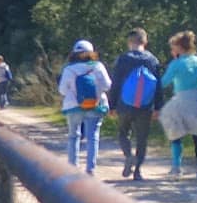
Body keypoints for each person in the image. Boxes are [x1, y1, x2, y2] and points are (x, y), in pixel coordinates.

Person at [158, 31, 197, 180]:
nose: (172, 51)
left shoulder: (177, 64)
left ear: (179, 47)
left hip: (181, 100)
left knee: (175, 133)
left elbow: (163, 83)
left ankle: (176, 167)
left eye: (173, 47)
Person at [108, 28, 162, 181]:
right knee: (142, 138)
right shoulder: (153, 60)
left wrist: (112, 105)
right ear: (145, 41)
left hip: (125, 105)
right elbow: (158, 86)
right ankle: (138, 171)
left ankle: (128, 156)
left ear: (129, 42)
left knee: (123, 133)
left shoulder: (123, 59)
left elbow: (116, 84)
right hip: (145, 106)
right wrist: (158, 107)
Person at [58, 39, 112, 174]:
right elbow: (107, 85)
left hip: (73, 107)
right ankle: (90, 169)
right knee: (93, 136)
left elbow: (62, 90)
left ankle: (73, 168)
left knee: (73, 136)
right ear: (91, 53)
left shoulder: (69, 69)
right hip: (95, 105)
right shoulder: (98, 66)